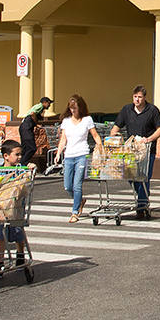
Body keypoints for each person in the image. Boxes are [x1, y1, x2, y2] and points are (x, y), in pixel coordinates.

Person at [111, 84, 160, 220]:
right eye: (135, 97)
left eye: (140, 97)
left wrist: (149, 139)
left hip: (147, 150)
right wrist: (113, 135)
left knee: (143, 176)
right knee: (130, 175)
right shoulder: (127, 109)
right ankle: (144, 194)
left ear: (144, 98)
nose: (137, 100)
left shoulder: (152, 110)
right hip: (131, 150)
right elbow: (117, 125)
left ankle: (141, 206)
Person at [57, 93, 97, 223]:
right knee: (67, 186)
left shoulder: (87, 120)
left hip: (81, 154)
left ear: (80, 107)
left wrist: (100, 147)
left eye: (75, 108)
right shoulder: (66, 121)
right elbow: (63, 139)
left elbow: (95, 135)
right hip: (69, 155)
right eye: (71, 108)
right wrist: (58, 152)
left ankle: (75, 212)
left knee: (77, 185)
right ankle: (79, 200)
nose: (73, 110)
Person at [0, 139, 28, 270]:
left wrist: (30, 169)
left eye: (20, 154)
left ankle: (20, 254)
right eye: (16, 154)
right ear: (6, 156)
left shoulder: (20, 170)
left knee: (18, 231)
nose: (20, 157)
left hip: (15, 207)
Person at [18, 97, 53, 171]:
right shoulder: (40, 106)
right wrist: (36, 124)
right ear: (44, 102)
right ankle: (23, 163)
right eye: (48, 103)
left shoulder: (40, 109)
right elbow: (32, 114)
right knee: (32, 148)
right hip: (26, 127)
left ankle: (21, 164)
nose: (49, 106)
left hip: (25, 127)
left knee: (25, 148)